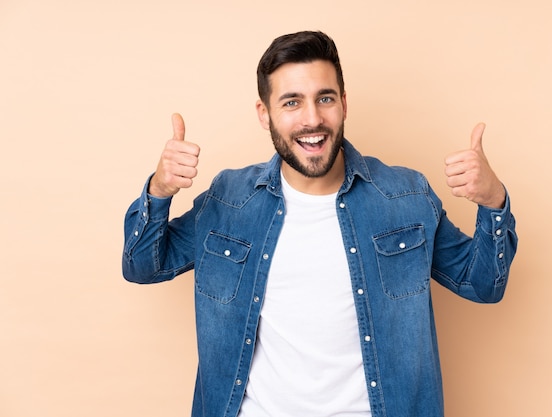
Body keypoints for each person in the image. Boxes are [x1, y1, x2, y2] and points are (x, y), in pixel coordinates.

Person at [122, 30, 518, 417]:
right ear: (265, 114)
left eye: (324, 98)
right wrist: (159, 191)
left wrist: (493, 201)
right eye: (291, 102)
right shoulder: (229, 199)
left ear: (344, 103)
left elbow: (483, 285)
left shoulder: (405, 197)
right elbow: (141, 267)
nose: (312, 119)